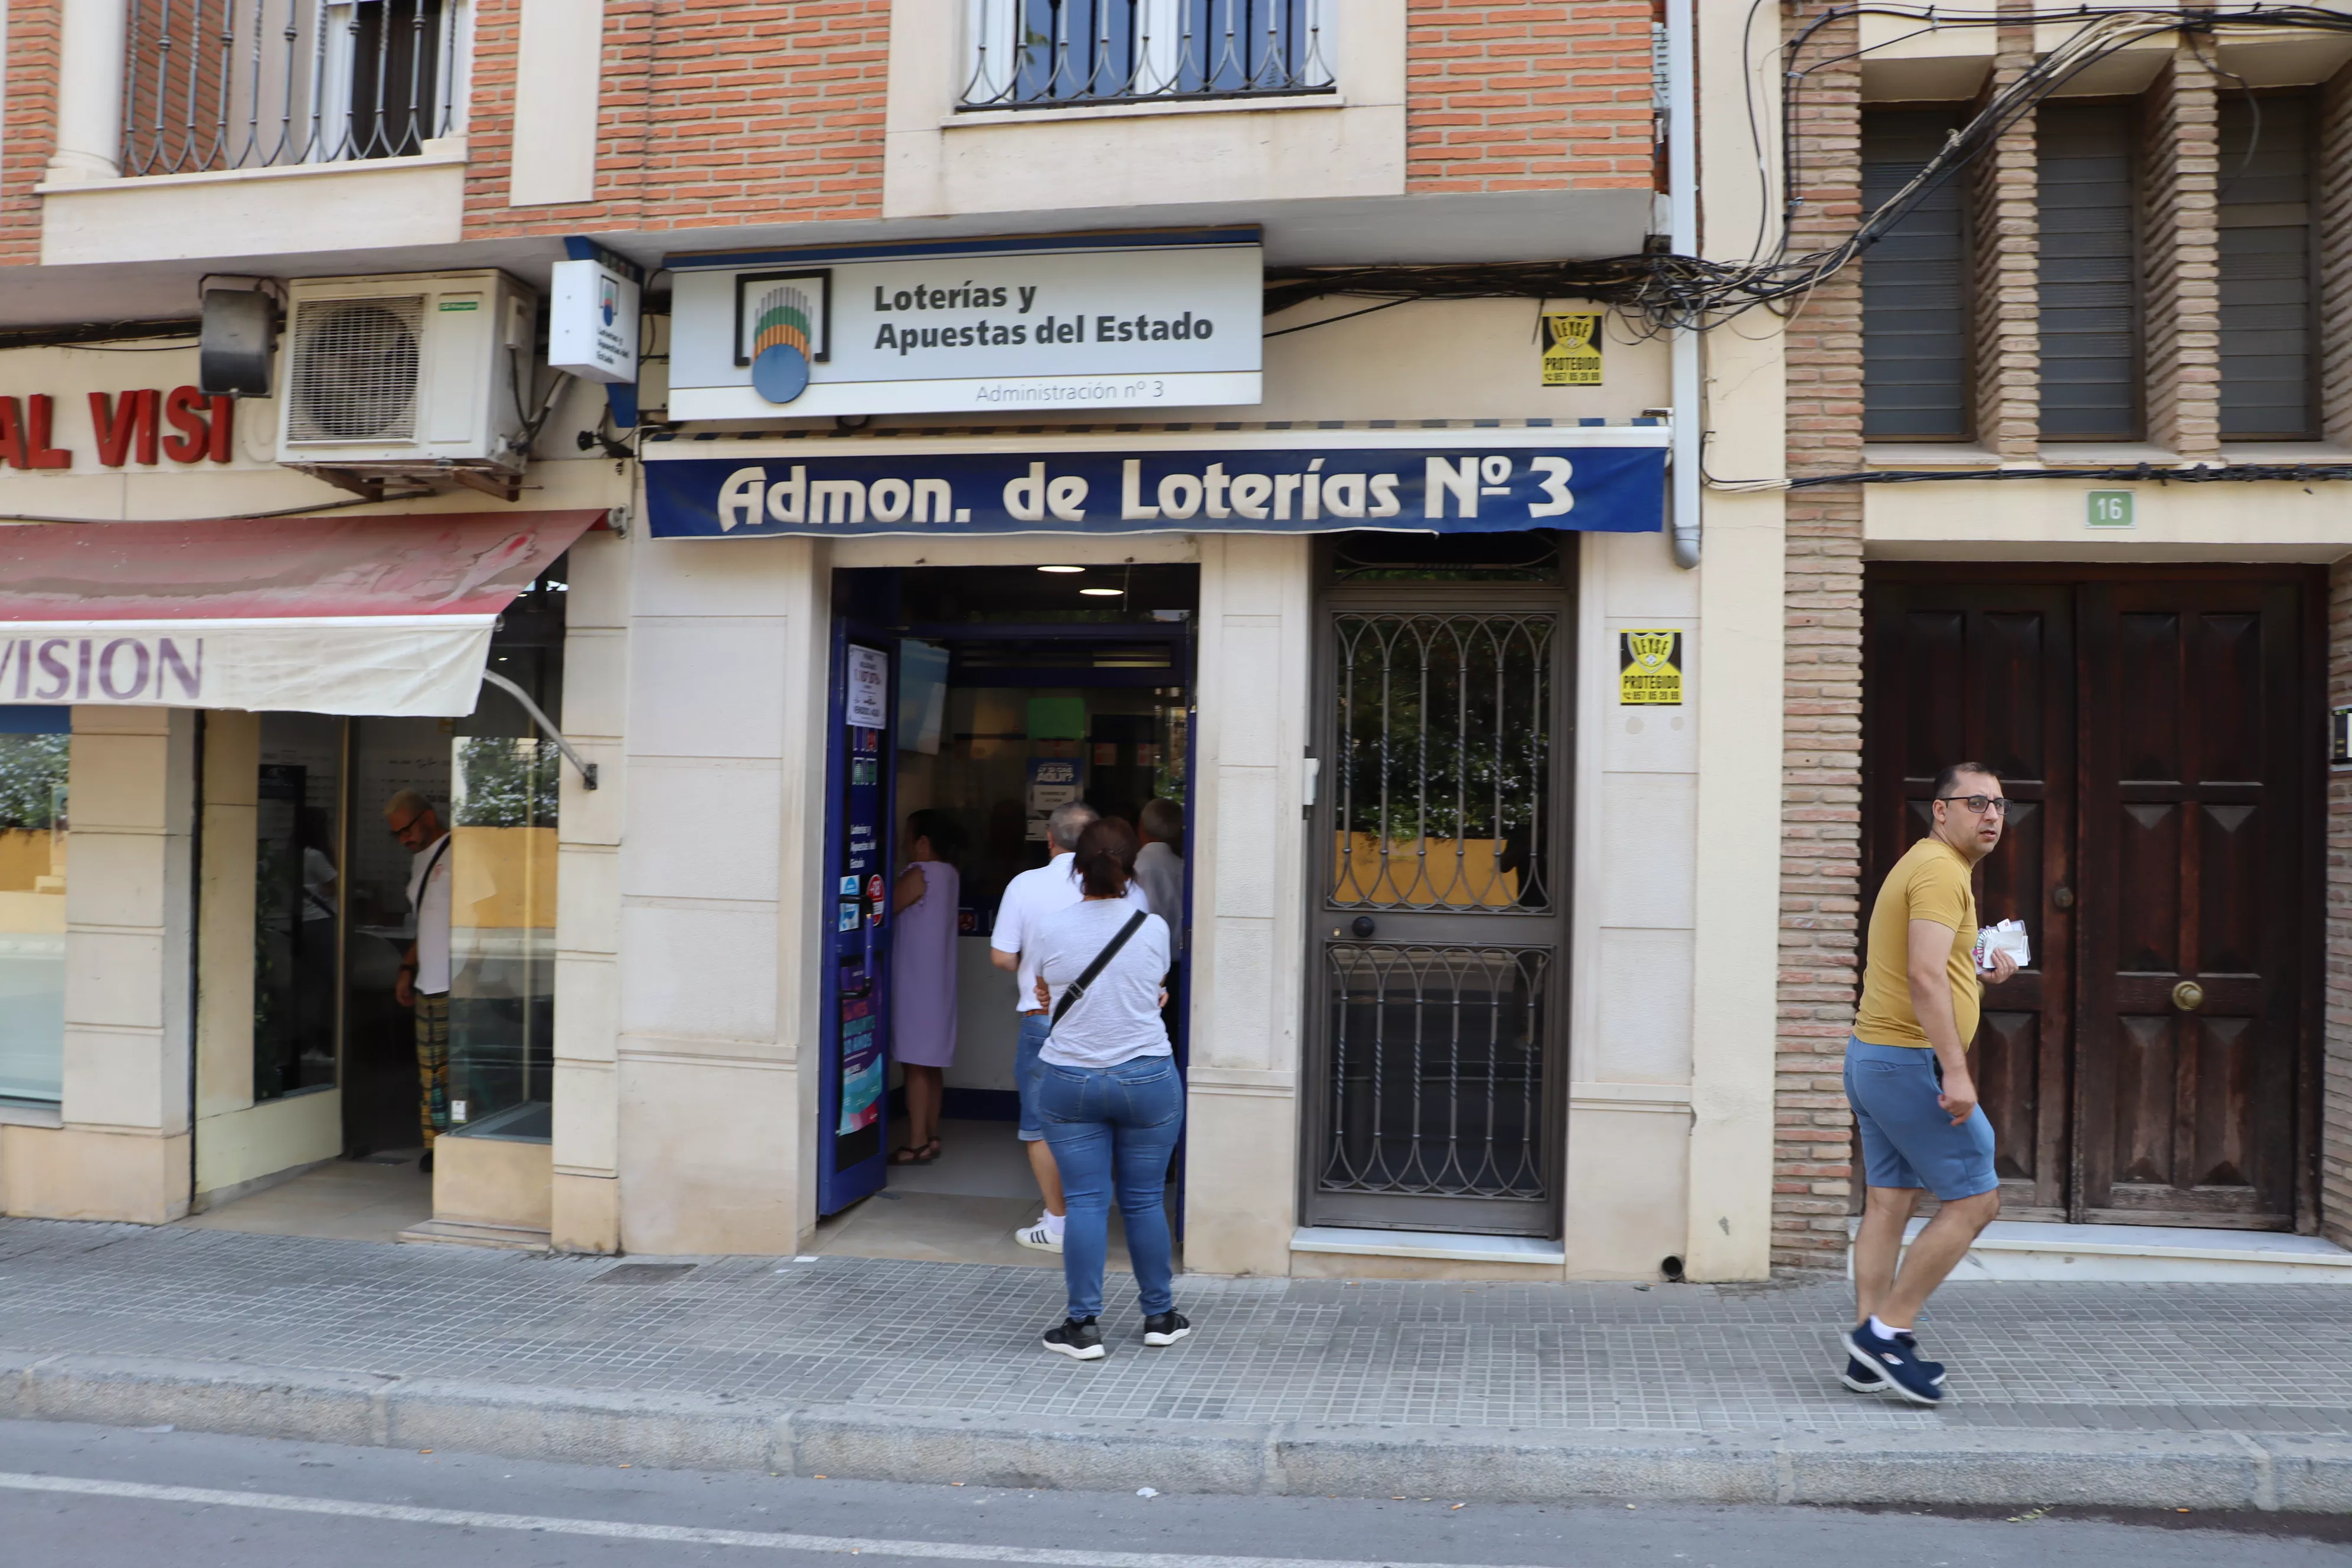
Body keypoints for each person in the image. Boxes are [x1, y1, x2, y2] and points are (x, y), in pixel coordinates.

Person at [1841, 761, 2020, 1404]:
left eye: (1999, 804)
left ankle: (1866, 1345)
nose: (1992, 815)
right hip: (1908, 1062)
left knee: (1889, 1200)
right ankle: (1889, 1332)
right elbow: (1921, 978)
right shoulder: (1943, 872)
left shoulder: (1925, 864)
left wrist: (1975, 968)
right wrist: (1956, 1069)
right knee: (1977, 1201)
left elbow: (1930, 962)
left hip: (1873, 1059)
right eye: (1975, 803)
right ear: (1940, 811)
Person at [1027, 816, 1186, 1360]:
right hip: (1147, 1077)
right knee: (1143, 1202)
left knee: (1086, 1202)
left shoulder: (1051, 928)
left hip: (1070, 1081)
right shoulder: (1154, 928)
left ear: (1077, 866)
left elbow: (1044, 993)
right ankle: (1160, 1316)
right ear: (1130, 869)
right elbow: (1151, 987)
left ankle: (1083, 1327)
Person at [989, 800, 1148, 1253]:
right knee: (1107, 1123)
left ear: (1051, 839)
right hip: (1118, 1022)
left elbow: (1001, 955)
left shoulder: (1025, 885)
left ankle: (1058, 1224)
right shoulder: (1131, 889)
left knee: (1042, 1125)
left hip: (1046, 1021)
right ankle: (1101, 1222)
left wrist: (1035, 972)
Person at [384, 790, 454, 1175]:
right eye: (396, 835)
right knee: (430, 1070)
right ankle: (435, 1144)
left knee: (450, 1070)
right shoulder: (420, 862)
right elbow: (426, 926)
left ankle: (455, 1142)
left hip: (454, 982)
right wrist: (407, 969)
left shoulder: (459, 852)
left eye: (406, 830)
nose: (403, 840)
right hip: (429, 981)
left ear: (427, 818)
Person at [890, 809, 963, 1165]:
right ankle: (932, 1136)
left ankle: (916, 1141)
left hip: (916, 983)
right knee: (931, 1065)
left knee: (915, 1065)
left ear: (922, 843)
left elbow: (882, 908)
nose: (903, 844)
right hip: (938, 983)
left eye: (908, 837)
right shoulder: (949, 875)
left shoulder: (921, 874)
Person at [1132, 799, 1185, 948]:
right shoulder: (1185, 868)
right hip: (1181, 956)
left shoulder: (1133, 867)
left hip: (1148, 953)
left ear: (1141, 827)